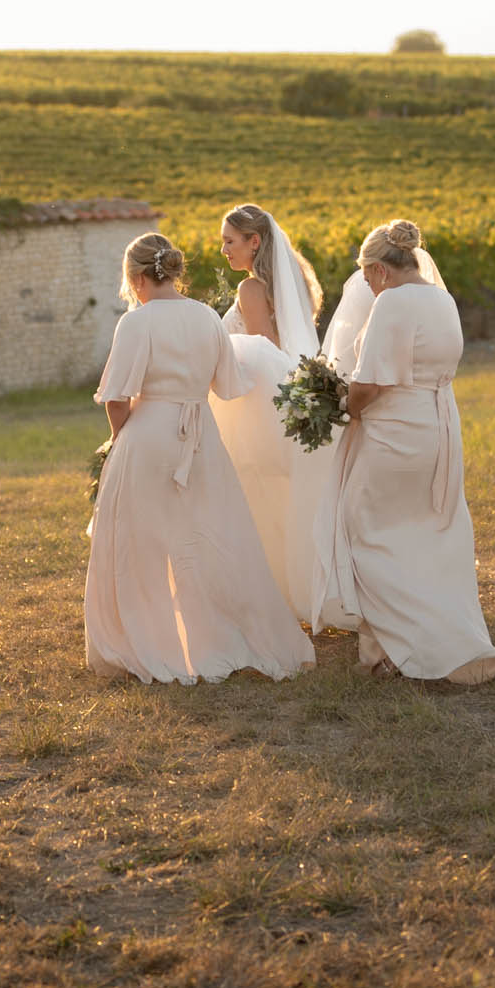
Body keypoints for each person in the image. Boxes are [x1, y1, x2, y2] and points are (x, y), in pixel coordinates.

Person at [85, 232, 315, 685]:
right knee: (209, 536)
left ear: (135, 280)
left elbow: (115, 397)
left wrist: (118, 439)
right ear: (173, 271)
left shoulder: (136, 322)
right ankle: (221, 635)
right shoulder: (207, 316)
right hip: (201, 439)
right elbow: (228, 384)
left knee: (140, 542)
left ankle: (149, 640)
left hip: (147, 434)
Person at [311, 219, 495, 685]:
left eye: (367, 277)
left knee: (366, 532)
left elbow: (371, 383)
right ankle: (389, 645)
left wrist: (343, 404)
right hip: (436, 430)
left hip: (392, 436)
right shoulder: (443, 299)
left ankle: (400, 648)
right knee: (420, 533)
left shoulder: (393, 302)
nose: (369, 288)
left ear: (380, 270)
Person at [207, 204, 329, 622]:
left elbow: (262, 353)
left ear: (253, 241)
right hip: (280, 400)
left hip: (254, 406)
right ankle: (290, 589)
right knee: (279, 498)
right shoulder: (282, 288)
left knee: (252, 498)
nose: (223, 249)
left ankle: (266, 596)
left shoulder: (252, 290)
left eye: (229, 240)